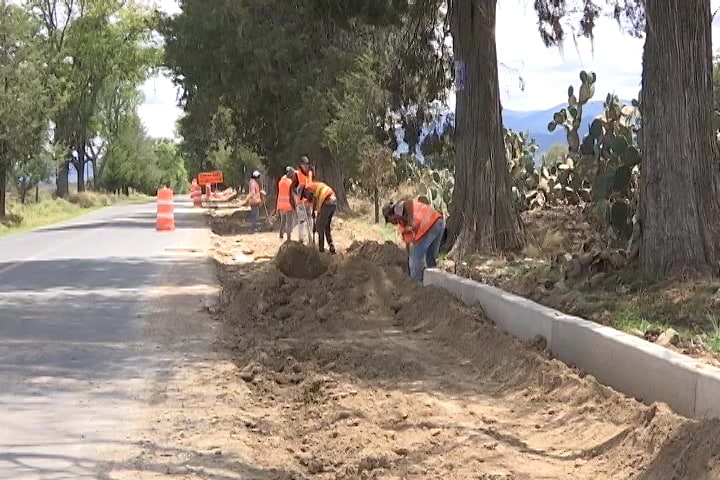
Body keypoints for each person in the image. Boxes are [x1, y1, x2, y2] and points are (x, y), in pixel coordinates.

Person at [382, 199, 444, 282]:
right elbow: (408, 242)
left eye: (389, 221)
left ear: (390, 215)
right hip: (438, 222)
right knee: (430, 259)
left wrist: (410, 224)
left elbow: (409, 202)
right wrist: (409, 258)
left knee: (416, 259)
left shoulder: (398, 209)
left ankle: (416, 286)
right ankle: (433, 286)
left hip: (430, 225)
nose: (392, 223)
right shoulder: (402, 223)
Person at [298, 182, 336, 254]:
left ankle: (321, 250)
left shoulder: (309, 187)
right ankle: (331, 247)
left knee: (320, 227)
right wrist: (315, 221)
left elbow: (315, 199)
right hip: (333, 202)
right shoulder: (317, 188)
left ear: (305, 190)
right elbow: (319, 209)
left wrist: (315, 222)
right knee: (326, 226)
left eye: (304, 195)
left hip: (327, 201)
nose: (306, 198)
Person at [290, 156, 315, 244]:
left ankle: (311, 239)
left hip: (308, 201)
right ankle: (301, 239)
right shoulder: (297, 175)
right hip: (301, 203)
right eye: (304, 164)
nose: (306, 166)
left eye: (307, 164)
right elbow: (292, 188)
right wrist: (297, 194)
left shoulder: (311, 173)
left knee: (310, 220)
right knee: (302, 220)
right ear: (301, 165)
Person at [277, 167, 295, 240]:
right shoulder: (290, 182)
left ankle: (281, 235)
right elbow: (292, 194)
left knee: (283, 221)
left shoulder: (280, 181)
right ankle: (288, 238)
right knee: (289, 222)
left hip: (281, 204)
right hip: (288, 205)